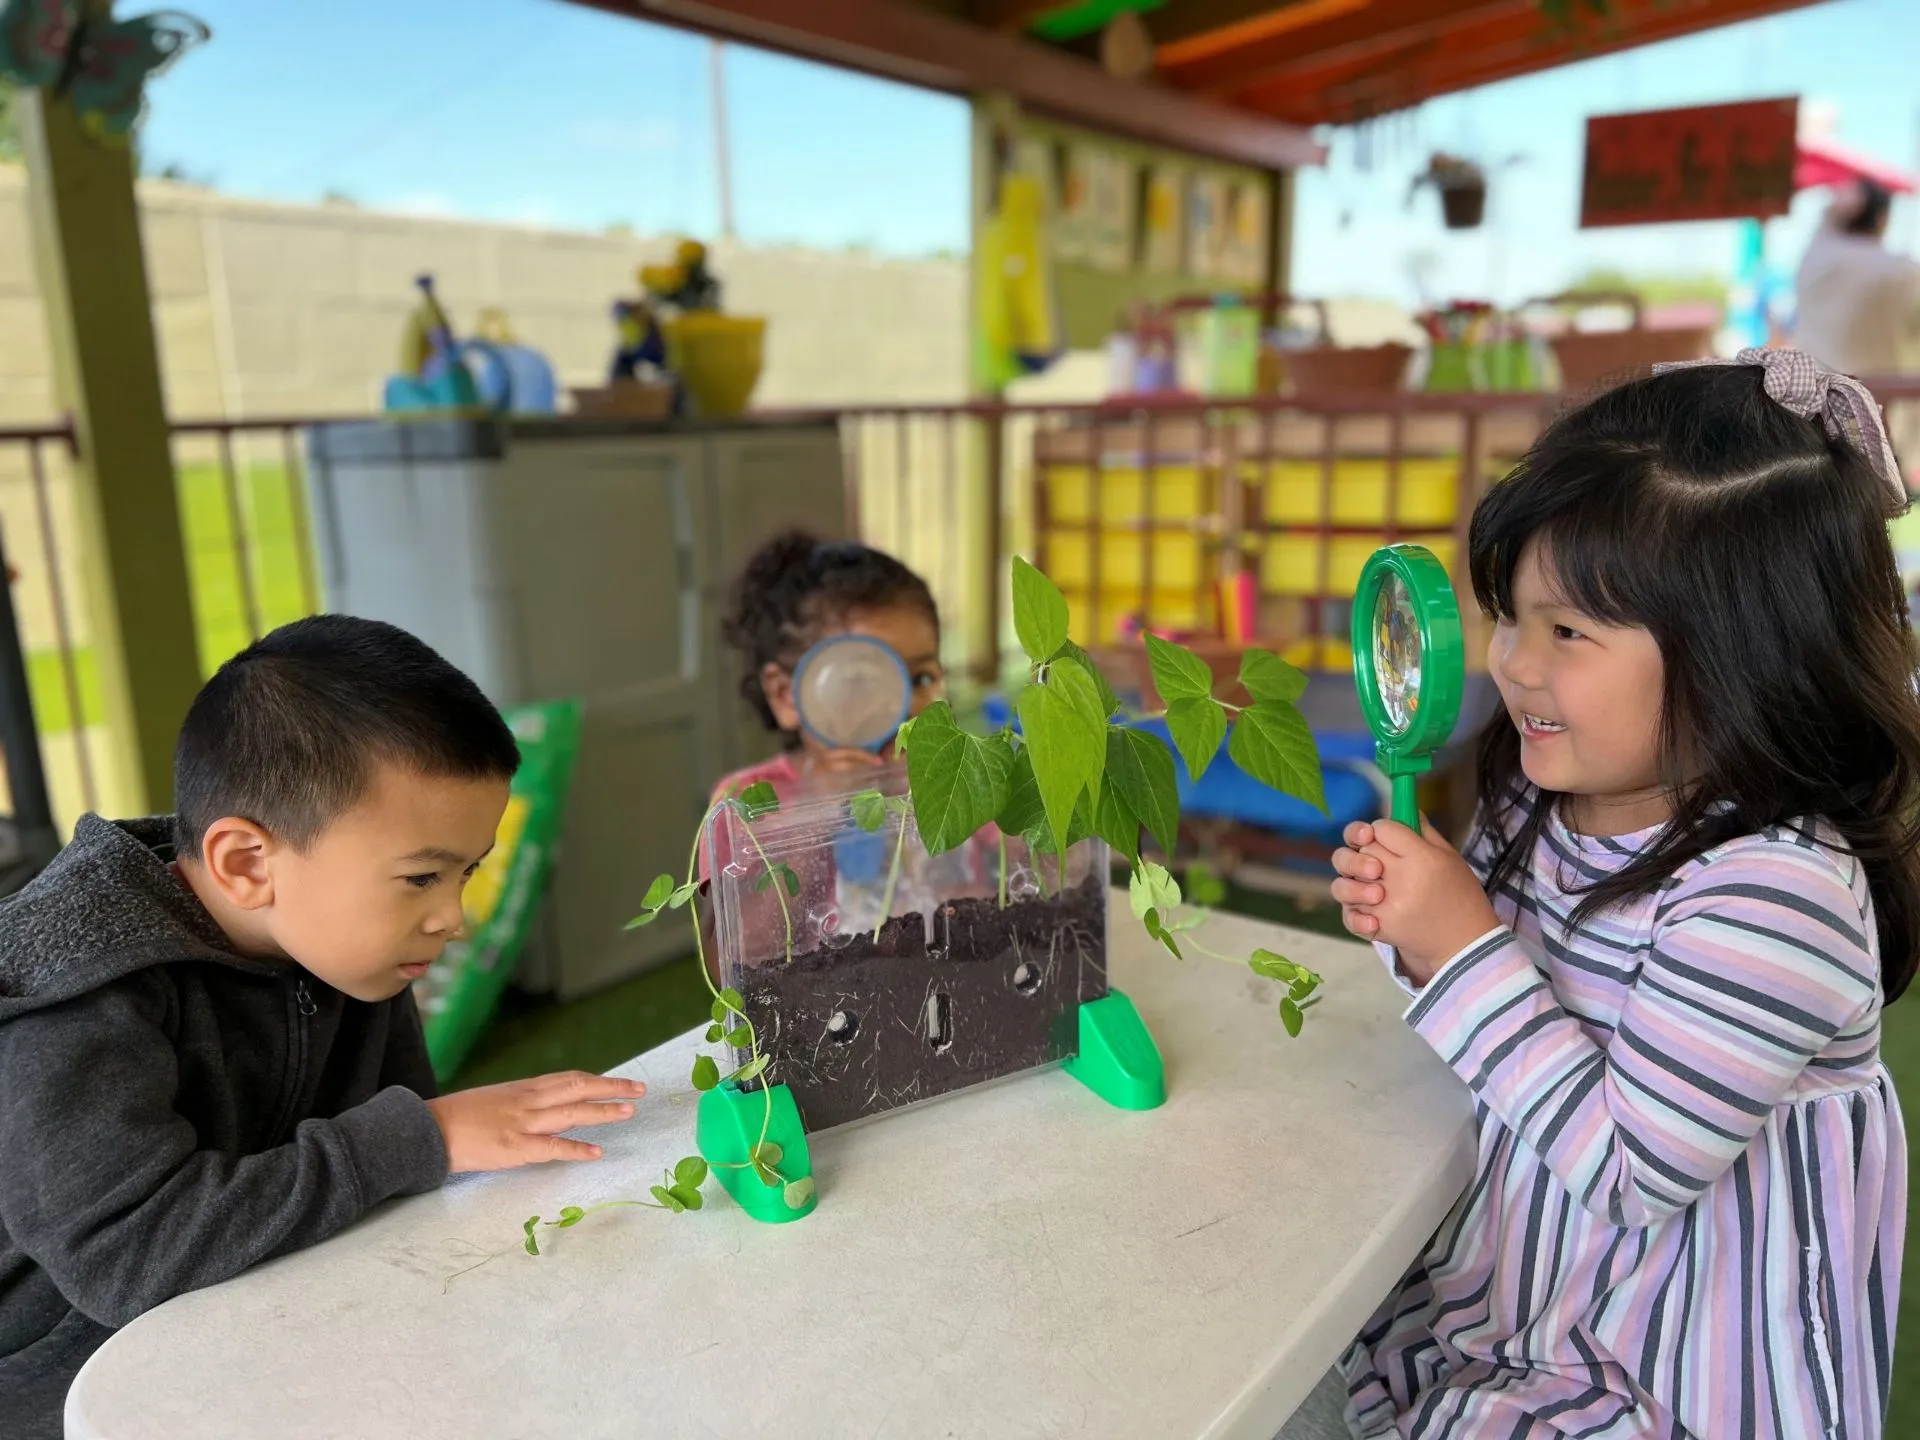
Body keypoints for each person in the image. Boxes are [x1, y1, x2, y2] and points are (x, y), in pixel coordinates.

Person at [1325, 352, 1913, 1438]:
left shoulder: (1779, 891)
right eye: (1512, 616)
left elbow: (1637, 1170)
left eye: (1569, 633)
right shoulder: (1550, 795)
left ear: (1742, 653)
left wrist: (1455, 947)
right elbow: (1491, 1001)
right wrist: (1410, 925)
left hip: (1684, 1370)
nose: (1513, 663)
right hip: (1530, 1293)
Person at [0, 616, 647, 1438]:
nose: (453, 917)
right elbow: (129, 1254)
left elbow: (388, 1178)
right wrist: (425, 1139)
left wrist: (416, 1150)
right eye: (421, 877)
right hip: (69, 1402)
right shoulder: (78, 989)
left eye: (467, 872)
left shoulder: (350, 948)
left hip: (250, 1347)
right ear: (247, 863)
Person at [715, 529, 947, 807]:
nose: (903, 705)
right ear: (785, 694)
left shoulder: (949, 776)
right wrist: (820, 811)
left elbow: (998, 845)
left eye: (921, 679)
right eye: (862, 684)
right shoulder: (742, 800)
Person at [1795, 178, 1920, 491]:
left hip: (1812, 416)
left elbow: (1825, 224)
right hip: (1880, 421)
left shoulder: (1814, 260)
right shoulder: (1900, 271)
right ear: (1882, 220)